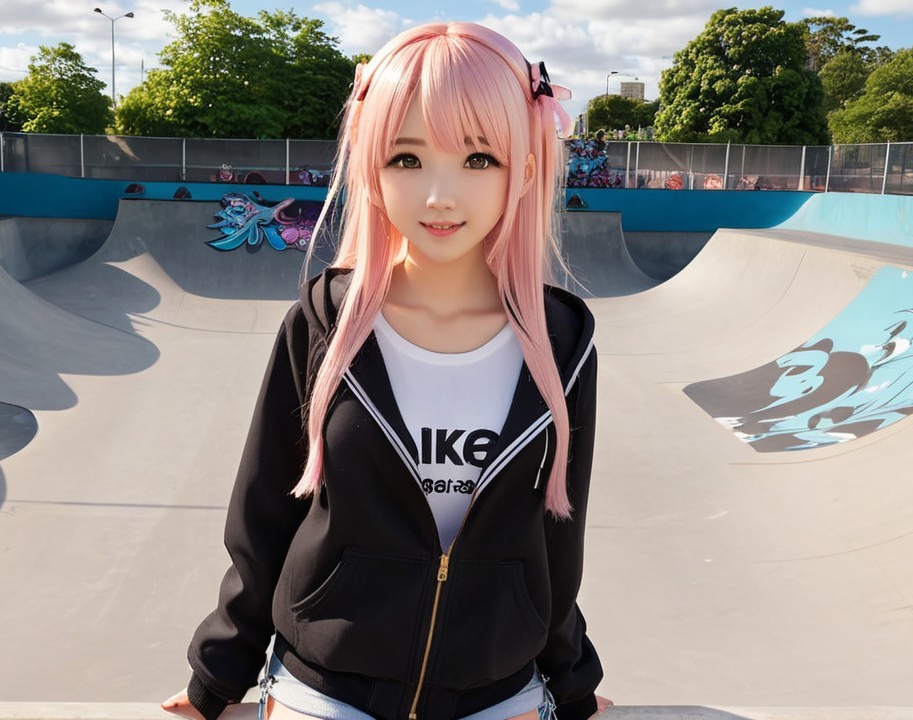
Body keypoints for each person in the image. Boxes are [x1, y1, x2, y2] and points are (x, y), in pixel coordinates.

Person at [162, 21, 610, 720]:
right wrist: (215, 681)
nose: (439, 194)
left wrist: (574, 684)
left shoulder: (562, 342)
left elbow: (555, 540)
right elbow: (264, 515)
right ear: (370, 165)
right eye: (407, 158)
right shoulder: (323, 325)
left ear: (524, 170)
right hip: (327, 684)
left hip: (496, 688)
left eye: (478, 159)